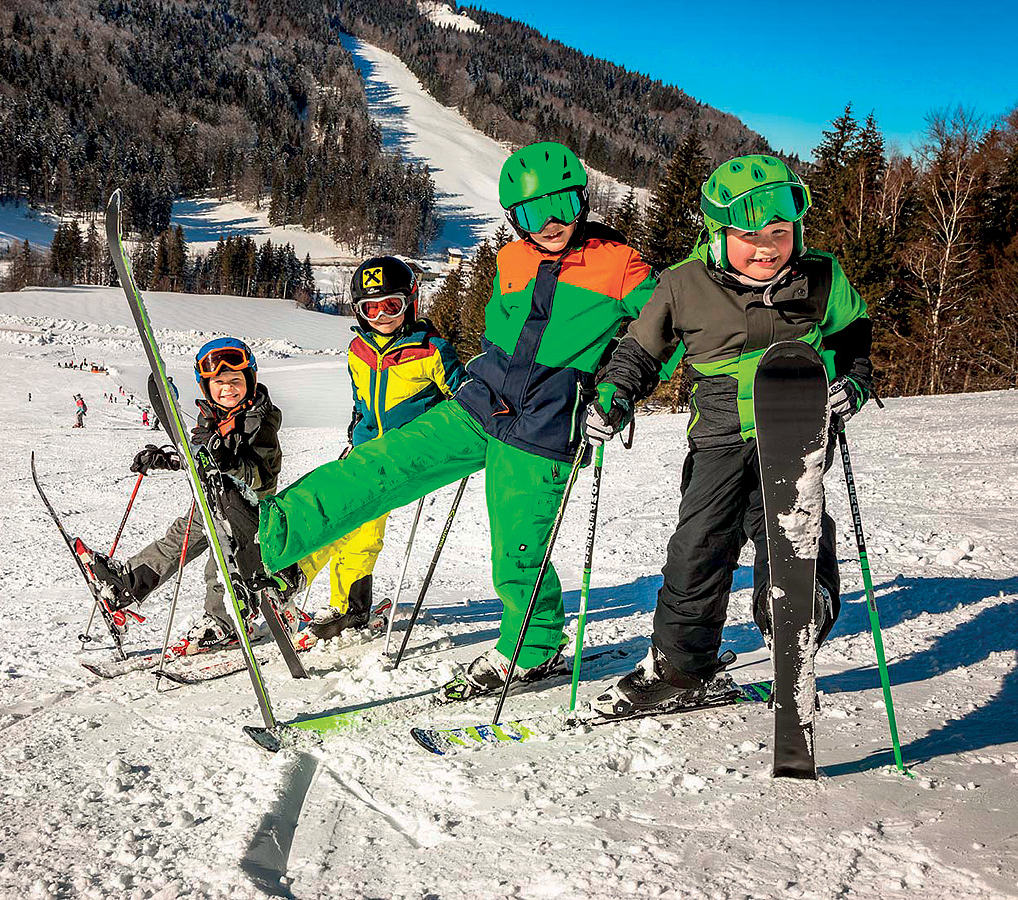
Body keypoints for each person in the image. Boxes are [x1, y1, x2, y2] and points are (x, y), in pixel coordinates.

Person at [257, 141, 656, 698]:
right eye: (532, 213)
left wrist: (615, 385)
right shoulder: (511, 260)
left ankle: (532, 649)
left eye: (561, 205)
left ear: (582, 201)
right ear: (514, 218)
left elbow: (663, 327)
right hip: (479, 404)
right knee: (379, 465)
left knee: (516, 549)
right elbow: (503, 329)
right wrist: (471, 377)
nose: (550, 223)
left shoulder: (620, 264)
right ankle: (269, 535)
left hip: (544, 426)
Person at [585, 154, 874, 715]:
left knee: (790, 527)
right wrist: (614, 394)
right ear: (717, 234)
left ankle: (797, 616)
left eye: (780, 232)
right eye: (749, 236)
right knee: (698, 547)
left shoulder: (820, 276)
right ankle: (680, 668)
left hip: (796, 429)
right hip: (719, 434)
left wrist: (854, 380)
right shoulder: (683, 283)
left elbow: (852, 332)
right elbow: (641, 350)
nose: (767, 248)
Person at [78, 338, 305, 655]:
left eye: (235, 380)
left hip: (247, 508)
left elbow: (260, 476)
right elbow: (199, 457)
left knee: (221, 565)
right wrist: (167, 459)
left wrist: (228, 461)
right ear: (206, 386)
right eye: (219, 383)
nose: (228, 388)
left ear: (250, 381)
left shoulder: (260, 422)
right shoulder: (210, 416)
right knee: (178, 539)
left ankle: (224, 622)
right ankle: (126, 587)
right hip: (213, 497)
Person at [294, 256, 466, 647]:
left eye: (391, 305)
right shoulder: (358, 349)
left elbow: (462, 398)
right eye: (370, 308)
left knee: (359, 517)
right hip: (368, 451)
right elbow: (361, 400)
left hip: (409, 453)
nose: (382, 316)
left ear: (411, 302)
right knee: (333, 505)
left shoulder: (432, 350)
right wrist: (356, 432)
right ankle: (332, 594)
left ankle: (337, 600)